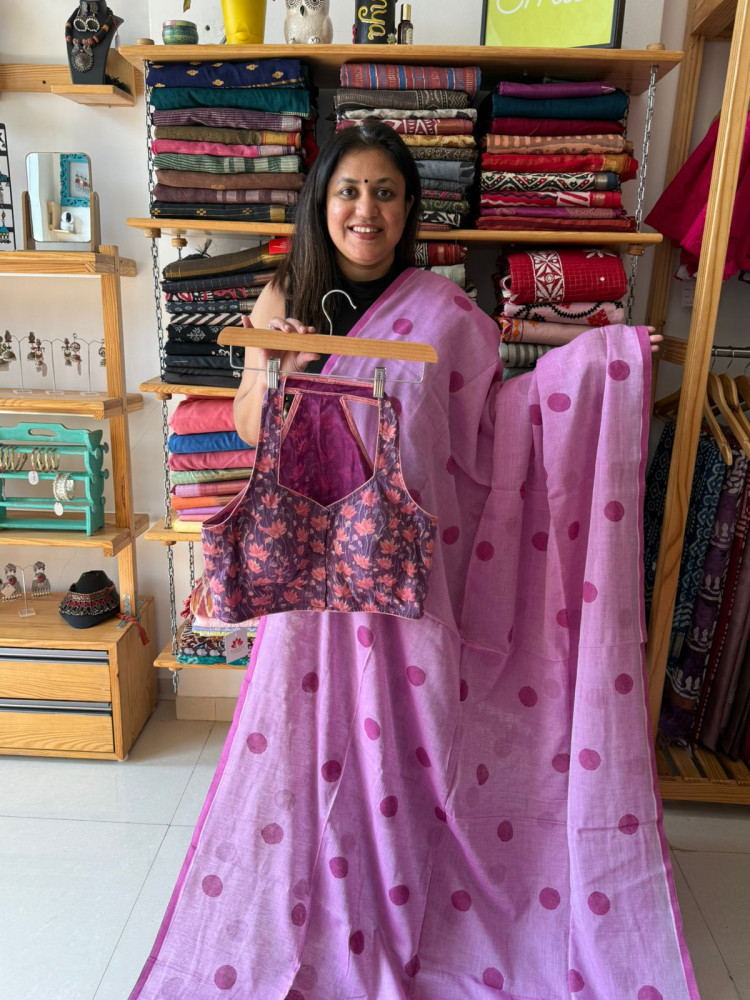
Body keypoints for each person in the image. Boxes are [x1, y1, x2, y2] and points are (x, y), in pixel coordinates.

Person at [130, 124, 696, 1000]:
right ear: (323, 202)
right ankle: (316, 896)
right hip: (316, 591)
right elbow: (249, 428)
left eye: (386, 193)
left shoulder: (444, 307)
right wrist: (282, 363)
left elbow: (499, 427)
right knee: (308, 759)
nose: (367, 209)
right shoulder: (287, 294)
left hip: (407, 584)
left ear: (407, 210)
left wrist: (601, 364)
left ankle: (411, 892)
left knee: (404, 752)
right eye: (350, 191)